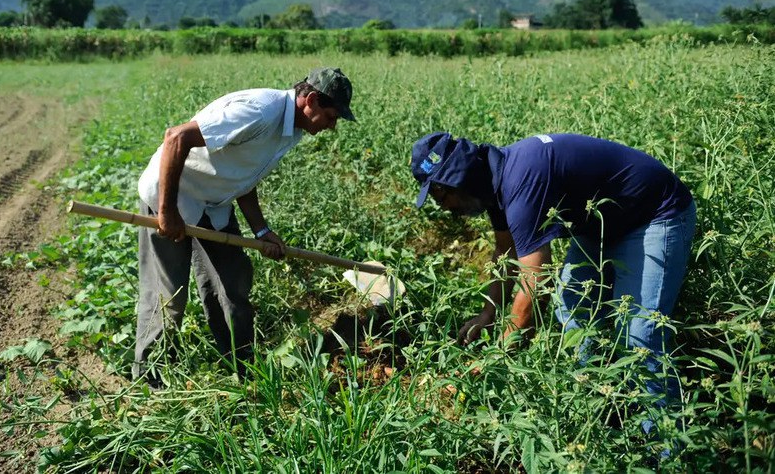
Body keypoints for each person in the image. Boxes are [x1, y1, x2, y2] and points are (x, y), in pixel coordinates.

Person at [410, 132, 696, 417]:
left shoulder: (522, 180)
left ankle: (664, 449)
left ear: (460, 178)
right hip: (599, 225)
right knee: (573, 311)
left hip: (655, 214)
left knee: (639, 336)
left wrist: (499, 355)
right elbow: (505, 250)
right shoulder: (492, 183)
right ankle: (598, 408)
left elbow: (536, 279)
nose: (443, 207)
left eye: (440, 194)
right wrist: (489, 313)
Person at [134, 67, 355, 382]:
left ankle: (242, 368)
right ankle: (149, 380)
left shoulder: (290, 130)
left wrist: (262, 231)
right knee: (169, 297)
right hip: (172, 196)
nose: (332, 126)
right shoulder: (260, 112)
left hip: (214, 204)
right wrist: (167, 212)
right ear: (313, 101)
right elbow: (176, 137)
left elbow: (244, 176)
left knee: (233, 285)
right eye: (332, 116)